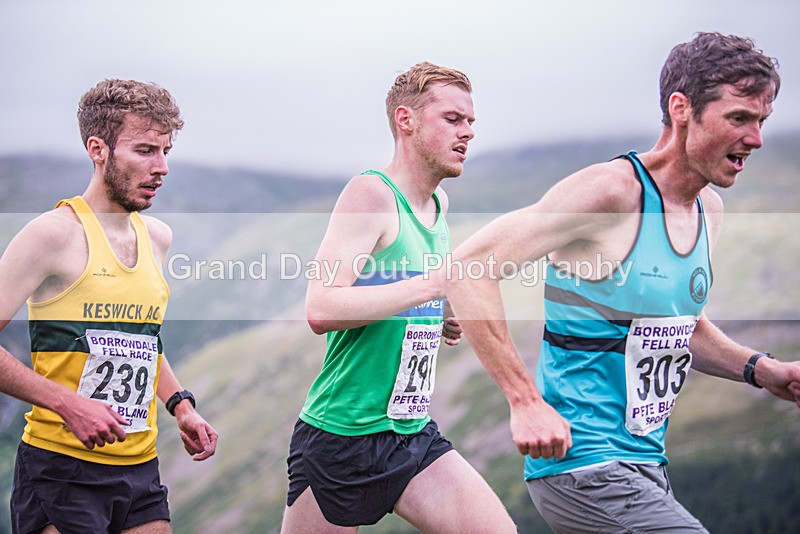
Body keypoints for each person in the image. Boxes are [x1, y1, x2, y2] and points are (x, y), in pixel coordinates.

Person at [445, 32, 800, 533]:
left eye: (762, 121)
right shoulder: (611, 192)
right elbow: (470, 267)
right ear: (682, 109)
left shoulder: (708, 210)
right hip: (581, 465)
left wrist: (763, 370)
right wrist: (525, 402)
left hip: (646, 464)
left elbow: (679, 329)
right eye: (739, 118)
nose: (756, 138)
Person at [280, 62, 517, 533]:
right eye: (453, 119)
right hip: (341, 435)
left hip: (410, 431)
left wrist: (441, 313)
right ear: (405, 120)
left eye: (470, 122)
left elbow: (406, 292)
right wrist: (431, 287)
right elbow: (322, 307)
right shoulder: (371, 194)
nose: (468, 132)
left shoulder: (438, 205)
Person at [0, 79, 218, 533]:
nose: (161, 168)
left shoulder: (157, 237)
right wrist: (69, 405)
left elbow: (140, 342)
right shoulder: (51, 235)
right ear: (98, 149)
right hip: (62, 469)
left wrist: (180, 405)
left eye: (165, 152)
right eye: (144, 151)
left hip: (140, 467)